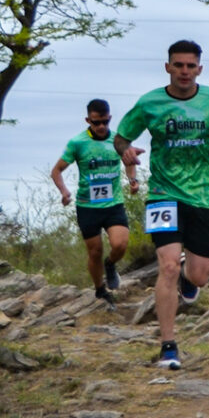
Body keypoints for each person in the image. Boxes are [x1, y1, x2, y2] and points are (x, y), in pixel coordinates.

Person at [114, 40, 209, 370]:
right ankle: (168, 346)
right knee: (169, 265)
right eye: (179, 65)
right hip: (163, 193)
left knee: (199, 276)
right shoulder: (150, 103)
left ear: (199, 69)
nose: (185, 71)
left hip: (203, 195)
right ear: (168, 67)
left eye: (191, 66)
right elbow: (121, 137)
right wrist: (125, 152)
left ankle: (191, 282)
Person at [51, 99, 139, 310]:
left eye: (104, 122)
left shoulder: (118, 140)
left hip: (113, 204)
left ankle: (110, 265)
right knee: (95, 251)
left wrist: (133, 180)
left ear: (109, 118)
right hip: (87, 206)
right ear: (88, 120)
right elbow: (56, 171)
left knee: (120, 244)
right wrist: (64, 192)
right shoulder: (77, 143)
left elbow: (129, 161)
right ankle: (100, 290)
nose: (101, 127)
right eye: (96, 122)